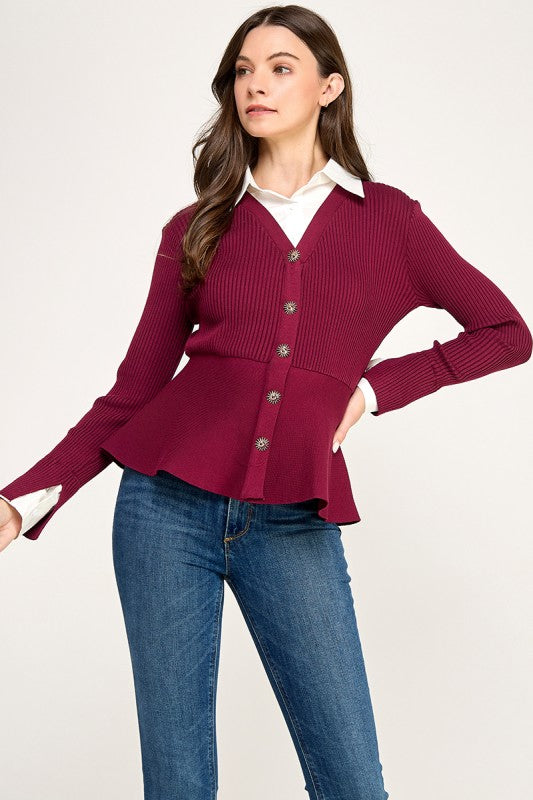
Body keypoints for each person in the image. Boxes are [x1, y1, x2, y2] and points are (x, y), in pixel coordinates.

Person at [1, 5, 531, 799]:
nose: (257, 84)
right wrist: (20, 502)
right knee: (178, 782)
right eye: (243, 71)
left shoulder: (389, 221)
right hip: (162, 512)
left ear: (328, 87)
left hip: (293, 518)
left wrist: (372, 391)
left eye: (281, 68)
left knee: (350, 780)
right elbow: (133, 393)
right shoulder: (197, 226)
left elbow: (505, 332)